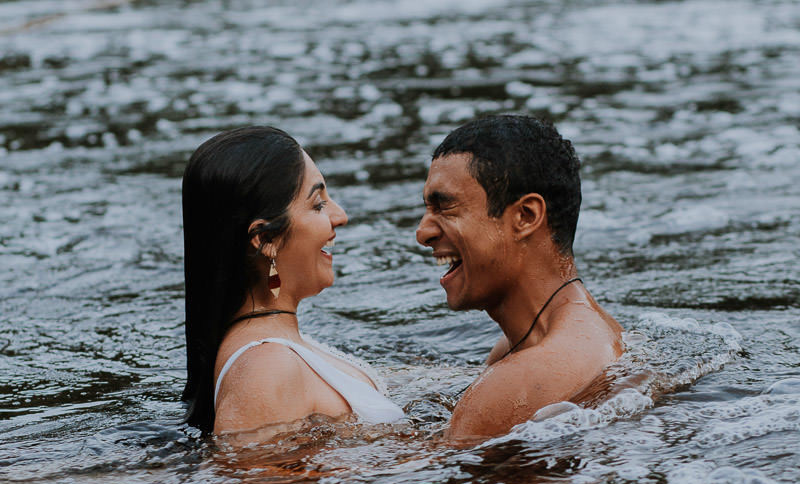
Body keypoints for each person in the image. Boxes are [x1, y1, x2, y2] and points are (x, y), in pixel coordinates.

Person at [182, 126, 404, 437]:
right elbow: (256, 483)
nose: (340, 216)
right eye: (318, 204)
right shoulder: (265, 369)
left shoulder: (284, 350)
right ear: (266, 239)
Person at [416, 114, 623, 443]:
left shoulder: (517, 382)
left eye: (446, 207)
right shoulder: (586, 336)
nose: (422, 233)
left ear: (525, 217)